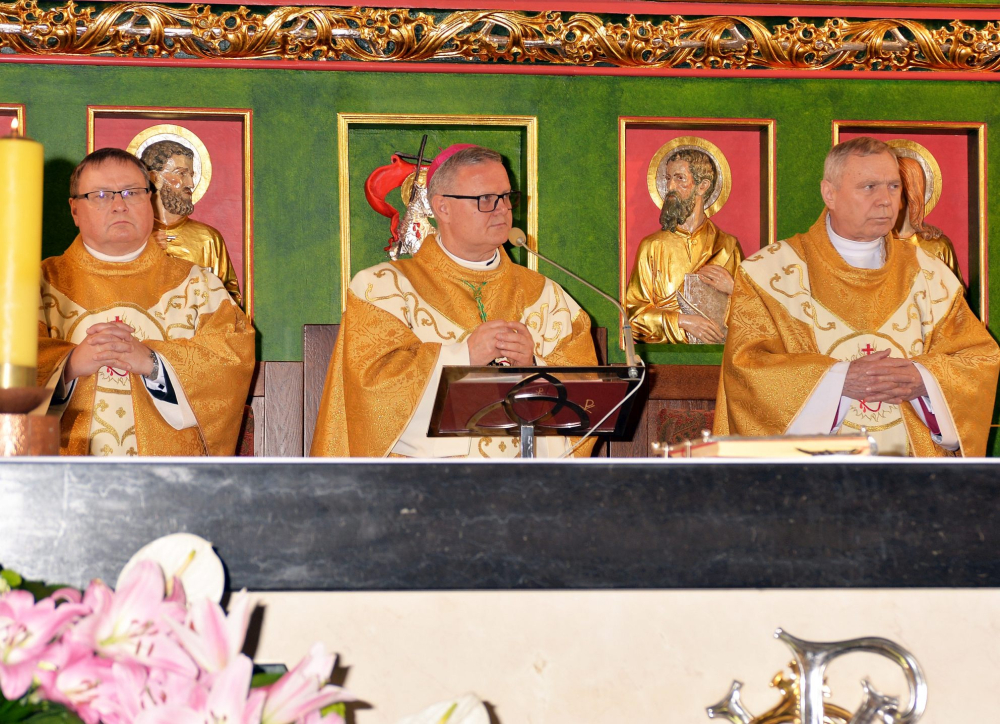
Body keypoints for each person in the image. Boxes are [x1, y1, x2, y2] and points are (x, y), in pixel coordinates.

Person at [715, 136, 999, 456]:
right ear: (829, 194)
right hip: (808, 478)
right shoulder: (768, 274)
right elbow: (746, 371)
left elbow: (979, 361)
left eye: (893, 186)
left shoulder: (931, 277)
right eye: (869, 187)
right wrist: (838, 381)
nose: (885, 201)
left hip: (914, 477)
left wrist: (925, 380)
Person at [311, 144, 598, 458]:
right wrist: (464, 356)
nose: (502, 209)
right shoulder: (383, 289)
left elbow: (589, 408)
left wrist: (533, 369)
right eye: (485, 199)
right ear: (442, 208)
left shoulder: (549, 298)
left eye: (506, 196)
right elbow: (370, 398)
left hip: (522, 483)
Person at [36, 148, 256, 456]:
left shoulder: (198, 285)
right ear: (75, 210)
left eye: (132, 192)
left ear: (150, 200)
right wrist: (68, 366)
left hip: (169, 478)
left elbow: (231, 362)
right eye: (101, 195)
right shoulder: (36, 285)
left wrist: (154, 364)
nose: (119, 205)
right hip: (59, 477)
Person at [625, 148, 743, 344]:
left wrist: (734, 289)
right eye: (668, 178)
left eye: (679, 178)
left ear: (702, 186)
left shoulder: (727, 247)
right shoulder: (652, 246)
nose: (670, 186)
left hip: (717, 357)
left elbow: (752, 320)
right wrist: (683, 321)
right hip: (666, 358)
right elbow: (633, 318)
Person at [139, 140, 243, 306]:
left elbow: (230, 301)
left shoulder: (208, 239)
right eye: (181, 173)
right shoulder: (132, 238)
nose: (190, 184)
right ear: (154, 178)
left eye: (191, 175)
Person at [894, 154, 965, 288]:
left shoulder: (937, 247)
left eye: (893, 187)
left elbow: (956, 296)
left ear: (911, 191)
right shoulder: (873, 245)